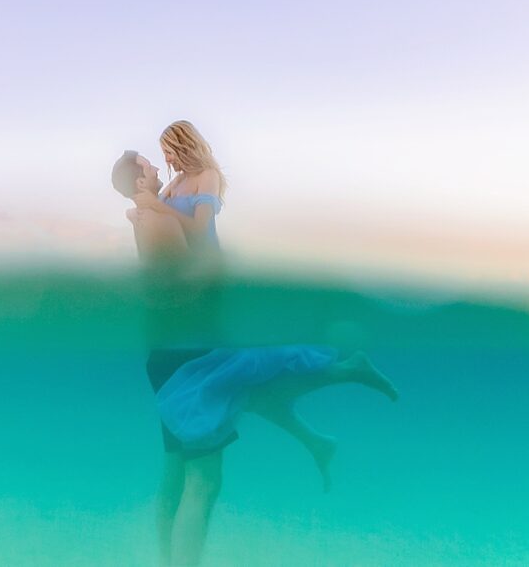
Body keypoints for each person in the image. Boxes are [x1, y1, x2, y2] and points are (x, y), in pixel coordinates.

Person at [112, 122, 397, 566]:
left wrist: (149, 207)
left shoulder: (191, 183)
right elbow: (176, 267)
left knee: (242, 393)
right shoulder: (159, 199)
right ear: (142, 179)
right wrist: (146, 208)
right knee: (214, 450)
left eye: (164, 154)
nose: (162, 164)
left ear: (181, 146)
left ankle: (323, 423)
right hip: (189, 335)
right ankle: (335, 395)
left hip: (183, 336)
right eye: (153, 163)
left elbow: (190, 238)